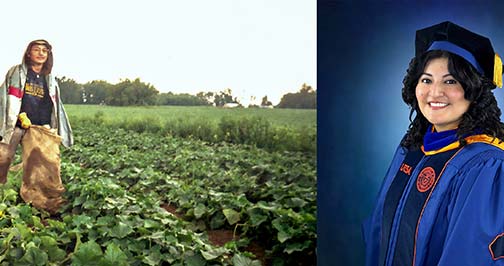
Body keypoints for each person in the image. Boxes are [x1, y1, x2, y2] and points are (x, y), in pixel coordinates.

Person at [363, 21, 504, 265]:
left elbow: (469, 256)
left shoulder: (487, 165)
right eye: (426, 80)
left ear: (474, 90)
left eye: (450, 81)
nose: (434, 93)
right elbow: (379, 231)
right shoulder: (411, 150)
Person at [0, 39, 73, 213]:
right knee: (2, 158)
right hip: (15, 125)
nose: (41, 53)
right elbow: (4, 97)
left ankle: (39, 202)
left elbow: (55, 106)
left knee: (43, 166)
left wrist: (52, 127)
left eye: (44, 51)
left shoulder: (50, 79)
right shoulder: (16, 72)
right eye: (36, 50)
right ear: (28, 53)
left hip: (38, 128)